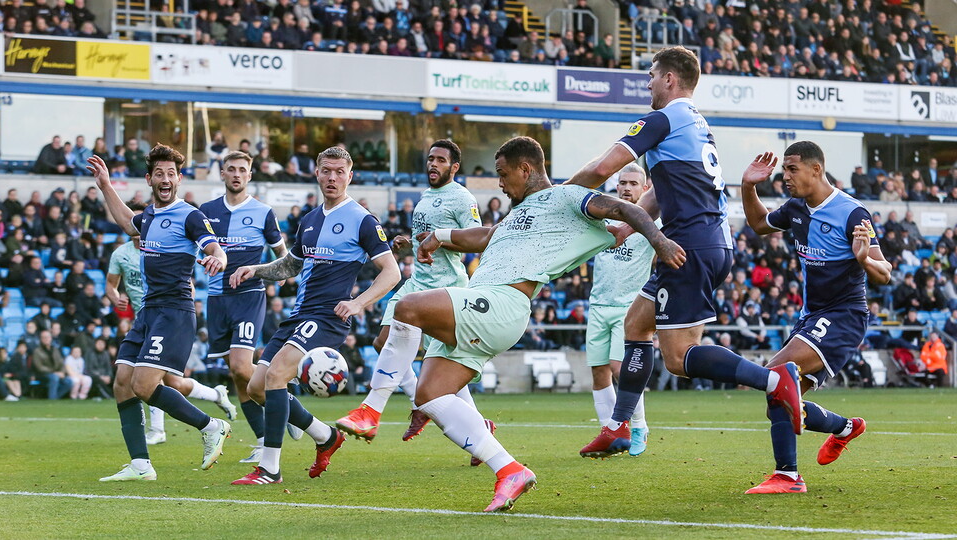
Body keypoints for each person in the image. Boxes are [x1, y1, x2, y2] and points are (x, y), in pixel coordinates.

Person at [384, 136, 682, 512]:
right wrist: (436, 239)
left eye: (503, 174)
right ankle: (509, 470)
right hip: (493, 299)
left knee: (407, 307)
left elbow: (624, 209)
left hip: (501, 303)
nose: (500, 183)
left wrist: (659, 241)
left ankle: (371, 406)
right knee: (430, 395)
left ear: (525, 169)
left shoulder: (567, 196)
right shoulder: (521, 212)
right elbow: (485, 236)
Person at [568, 46, 804, 460]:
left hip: (688, 246)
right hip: (703, 240)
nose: (648, 84)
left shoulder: (662, 118)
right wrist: (627, 225)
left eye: (652, 76)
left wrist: (556, 196)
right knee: (636, 325)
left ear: (670, 79)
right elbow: (661, 187)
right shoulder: (695, 121)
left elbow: (603, 168)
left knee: (678, 358)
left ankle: (773, 379)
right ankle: (619, 427)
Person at [230, 146, 399, 486]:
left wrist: (357, 303)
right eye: (327, 171)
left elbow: (391, 272)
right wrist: (256, 270)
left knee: (276, 375)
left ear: (350, 176)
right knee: (257, 386)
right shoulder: (309, 219)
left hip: (327, 317)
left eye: (340, 171)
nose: (333, 177)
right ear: (317, 174)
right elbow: (291, 265)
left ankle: (269, 469)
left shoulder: (362, 220)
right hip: (300, 315)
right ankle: (325, 436)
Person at [739, 142, 891, 493]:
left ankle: (788, 477)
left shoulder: (853, 213)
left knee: (776, 374)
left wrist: (864, 259)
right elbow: (760, 224)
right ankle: (845, 428)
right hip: (812, 317)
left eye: (792, 169)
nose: (785, 177)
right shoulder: (796, 208)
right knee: (780, 400)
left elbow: (885, 273)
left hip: (844, 315)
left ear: (816, 169)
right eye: (784, 171)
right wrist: (748, 186)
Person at [88, 145, 233, 482]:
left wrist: (219, 259)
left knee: (143, 383)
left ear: (179, 179)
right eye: (160, 173)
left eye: (171, 173)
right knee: (122, 382)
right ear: (149, 179)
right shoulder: (150, 216)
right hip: (149, 310)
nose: (166, 179)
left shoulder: (190, 215)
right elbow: (127, 222)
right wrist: (106, 185)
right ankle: (141, 465)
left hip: (174, 311)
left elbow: (214, 247)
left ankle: (211, 425)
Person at [336, 140, 484, 452]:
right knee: (382, 342)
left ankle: (472, 427)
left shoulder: (462, 198)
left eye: (441, 160)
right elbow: (424, 239)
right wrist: (410, 243)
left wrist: (439, 241)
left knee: (441, 366)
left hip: (446, 285)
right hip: (417, 280)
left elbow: (477, 241)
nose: (433, 164)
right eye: (430, 159)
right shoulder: (426, 197)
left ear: (454, 167)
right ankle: (423, 406)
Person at [105, 219, 236, 446]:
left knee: (151, 381)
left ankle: (159, 430)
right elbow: (110, 285)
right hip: (143, 319)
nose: (139, 229)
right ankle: (216, 395)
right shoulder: (121, 254)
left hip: (166, 319)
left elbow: (188, 282)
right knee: (171, 383)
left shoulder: (162, 245)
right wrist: (116, 298)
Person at [199, 151, 288, 463]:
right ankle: (264, 440)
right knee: (237, 376)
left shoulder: (263, 212)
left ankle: (285, 404)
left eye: (243, 170)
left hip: (249, 295)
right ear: (222, 173)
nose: (237, 174)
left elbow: (283, 256)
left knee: (240, 365)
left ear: (250, 176)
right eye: (231, 169)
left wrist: (277, 274)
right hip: (216, 299)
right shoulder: (206, 211)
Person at [583, 163, 657, 458]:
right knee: (599, 371)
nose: (626, 188)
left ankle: (638, 426)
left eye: (633, 184)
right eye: (622, 183)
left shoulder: (652, 223)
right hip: (598, 304)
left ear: (645, 189)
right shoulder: (602, 220)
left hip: (629, 308)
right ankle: (609, 434)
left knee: (619, 369)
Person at [31, 329, 72, 399]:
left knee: (69, 382)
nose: (46, 339)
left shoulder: (55, 349)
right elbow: (39, 367)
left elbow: (61, 362)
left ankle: (55, 397)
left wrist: (62, 372)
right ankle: (52, 398)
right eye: (44, 337)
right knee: (54, 378)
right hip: (43, 374)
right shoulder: (37, 351)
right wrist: (54, 372)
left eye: (48, 337)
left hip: (56, 373)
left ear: (51, 338)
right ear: (41, 339)